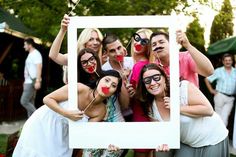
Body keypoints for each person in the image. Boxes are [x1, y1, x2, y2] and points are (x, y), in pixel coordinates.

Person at [13, 69, 122, 157]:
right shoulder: (80, 88)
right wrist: (66, 114)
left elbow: (85, 134)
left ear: (114, 93)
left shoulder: (101, 110)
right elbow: (47, 99)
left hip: (63, 136)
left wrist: (107, 143)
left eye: (113, 85)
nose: (108, 86)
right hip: (43, 124)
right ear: (98, 81)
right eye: (106, 80)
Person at [136, 63, 229, 157]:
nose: (152, 83)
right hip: (187, 143)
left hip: (212, 137)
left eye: (156, 77)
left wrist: (177, 107)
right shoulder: (151, 107)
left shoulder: (182, 88)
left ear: (164, 77)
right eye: (147, 81)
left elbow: (208, 110)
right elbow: (162, 133)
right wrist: (163, 143)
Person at [150, 30, 214, 87]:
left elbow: (209, 71)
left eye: (161, 42)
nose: (158, 46)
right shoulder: (153, 67)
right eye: (154, 44)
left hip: (190, 100)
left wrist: (188, 45)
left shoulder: (185, 57)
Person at [128, 29, 154, 157]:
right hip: (147, 114)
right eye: (137, 38)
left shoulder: (140, 66)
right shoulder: (146, 63)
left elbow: (143, 96)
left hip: (141, 114)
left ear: (148, 45)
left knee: (141, 153)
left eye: (144, 41)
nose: (139, 43)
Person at [205, 53, 236, 126]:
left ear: (232, 61)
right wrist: (211, 90)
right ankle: (219, 135)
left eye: (229, 60)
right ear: (223, 61)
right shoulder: (218, 71)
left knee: (225, 117)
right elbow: (207, 79)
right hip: (220, 96)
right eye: (226, 60)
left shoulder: (235, 71)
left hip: (230, 98)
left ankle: (220, 135)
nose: (228, 62)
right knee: (218, 116)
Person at [20, 38, 42, 117]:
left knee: (24, 101)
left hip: (32, 82)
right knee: (30, 102)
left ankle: (38, 116)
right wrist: (25, 81)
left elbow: (39, 66)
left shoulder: (36, 54)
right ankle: (31, 124)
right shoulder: (31, 54)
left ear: (30, 45)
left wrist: (38, 81)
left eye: (25, 45)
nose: (24, 46)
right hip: (28, 81)